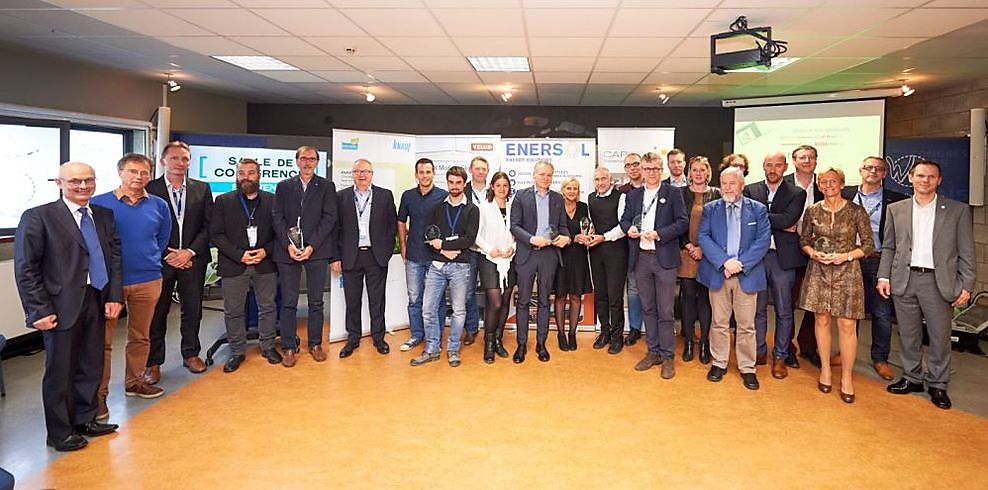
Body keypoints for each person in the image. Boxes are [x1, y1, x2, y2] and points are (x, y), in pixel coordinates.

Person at [14, 161, 123, 452]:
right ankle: (59, 432)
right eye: (75, 181)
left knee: (91, 364)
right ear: (59, 183)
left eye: (89, 180)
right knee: (60, 371)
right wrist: (38, 310)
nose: (83, 186)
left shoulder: (103, 215)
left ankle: (85, 419)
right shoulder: (39, 216)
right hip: (59, 305)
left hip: (96, 298)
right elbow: (26, 268)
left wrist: (114, 296)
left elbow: (113, 257)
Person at [879, 160, 975, 410]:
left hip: (938, 282)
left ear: (939, 181)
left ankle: (938, 384)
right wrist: (883, 276)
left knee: (939, 336)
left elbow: (967, 251)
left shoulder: (957, 210)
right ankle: (912, 378)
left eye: (931, 176)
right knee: (908, 334)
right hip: (904, 279)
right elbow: (889, 246)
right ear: (910, 178)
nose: (925, 180)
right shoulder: (896, 209)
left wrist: (967, 284)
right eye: (920, 175)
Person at [91, 153, 171, 410]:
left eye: (144, 172)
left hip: (148, 280)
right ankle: (99, 395)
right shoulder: (98, 203)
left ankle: (135, 382)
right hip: (109, 283)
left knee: (141, 336)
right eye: (133, 171)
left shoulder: (159, 205)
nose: (139, 177)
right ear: (120, 173)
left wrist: (149, 260)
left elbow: (162, 239)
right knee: (102, 341)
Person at [798, 168, 874, 404]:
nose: (828, 185)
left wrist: (846, 256)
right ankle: (825, 370)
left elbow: (869, 245)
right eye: (824, 182)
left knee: (847, 324)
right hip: (819, 271)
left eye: (833, 181)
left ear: (842, 184)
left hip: (847, 272)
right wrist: (813, 253)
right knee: (821, 320)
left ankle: (847, 378)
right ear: (819, 185)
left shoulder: (856, 211)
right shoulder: (812, 210)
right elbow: (804, 240)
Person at [697, 167, 771, 390]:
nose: (727, 188)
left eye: (732, 183)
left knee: (746, 325)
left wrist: (740, 264)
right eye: (724, 183)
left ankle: (747, 367)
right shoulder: (710, 209)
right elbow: (703, 236)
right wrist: (724, 262)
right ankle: (719, 362)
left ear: (742, 185)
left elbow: (763, 240)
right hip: (719, 272)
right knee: (719, 322)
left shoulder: (757, 210)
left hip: (747, 274)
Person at [145, 141, 213, 382]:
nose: (180, 163)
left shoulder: (202, 188)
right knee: (157, 312)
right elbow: (146, 228)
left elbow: (208, 225)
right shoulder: (149, 188)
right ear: (163, 161)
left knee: (192, 310)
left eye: (185, 158)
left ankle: (191, 354)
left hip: (193, 260)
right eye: (174, 158)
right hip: (160, 261)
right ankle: (153, 362)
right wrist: (169, 254)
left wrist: (189, 252)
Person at [620, 151, 688, 379]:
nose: (651, 173)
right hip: (641, 258)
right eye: (647, 169)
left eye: (656, 169)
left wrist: (659, 234)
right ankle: (653, 352)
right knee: (648, 307)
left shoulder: (673, 193)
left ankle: (668, 356)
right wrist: (629, 228)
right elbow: (625, 219)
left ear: (662, 170)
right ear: (642, 170)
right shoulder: (633, 196)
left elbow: (682, 222)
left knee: (666, 311)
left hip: (664, 259)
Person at [210, 158, 281, 373]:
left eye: (251, 173)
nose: (246, 177)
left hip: (264, 263)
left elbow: (280, 233)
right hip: (234, 264)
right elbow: (216, 234)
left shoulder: (272, 200)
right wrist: (239, 255)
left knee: (268, 308)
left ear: (259, 175)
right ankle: (237, 351)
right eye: (241, 173)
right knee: (233, 311)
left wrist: (265, 251)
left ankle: (268, 346)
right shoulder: (223, 201)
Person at [840, 156, 907, 381]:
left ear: (885, 174)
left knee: (881, 312)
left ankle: (880, 359)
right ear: (860, 171)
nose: (873, 171)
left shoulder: (896, 200)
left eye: (879, 169)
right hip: (849, 259)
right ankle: (844, 351)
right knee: (849, 310)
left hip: (879, 260)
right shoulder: (846, 193)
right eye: (869, 167)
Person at [272, 145, 338, 367]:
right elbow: (277, 217)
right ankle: (289, 347)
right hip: (288, 252)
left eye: (312, 159)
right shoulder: (283, 186)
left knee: (316, 301)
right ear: (297, 161)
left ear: (317, 162)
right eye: (304, 158)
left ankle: (315, 344)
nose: (308, 162)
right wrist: (289, 245)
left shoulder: (327, 186)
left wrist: (311, 246)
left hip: (316, 251)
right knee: (289, 301)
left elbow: (329, 218)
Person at [743, 152, 807, 378]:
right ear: (763, 166)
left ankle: (780, 356)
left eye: (778, 165)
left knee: (784, 310)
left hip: (783, 259)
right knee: (757, 309)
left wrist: (762, 218)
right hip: (757, 258)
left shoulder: (797, 193)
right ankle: (759, 351)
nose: (773, 169)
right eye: (769, 165)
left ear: (785, 167)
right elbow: (748, 221)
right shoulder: (750, 189)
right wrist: (777, 220)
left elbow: (789, 219)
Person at [410, 166, 479, 367]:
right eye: (451, 182)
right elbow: (429, 236)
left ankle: (453, 349)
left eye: (458, 182)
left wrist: (444, 245)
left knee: (458, 311)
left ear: (464, 184)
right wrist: (443, 250)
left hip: (460, 266)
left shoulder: (472, 209)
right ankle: (432, 349)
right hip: (437, 265)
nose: (454, 186)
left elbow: (469, 239)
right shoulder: (437, 208)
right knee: (427, 309)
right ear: (447, 182)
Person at [332, 159, 397, 358]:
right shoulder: (340, 197)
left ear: (372, 174)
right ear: (352, 174)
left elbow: (391, 226)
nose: (362, 175)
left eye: (366, 171)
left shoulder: (385, 195)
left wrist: (385, 252)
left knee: (377, 300)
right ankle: (353, 338)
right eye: (357, 171)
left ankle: (379, 337)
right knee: (352, 300)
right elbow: (334, 230)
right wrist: (335, 257)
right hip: (350, 256)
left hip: (376, 256)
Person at [510, 160, 571, 363]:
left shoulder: (557, 198)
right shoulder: (521, 196)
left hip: (549, 255)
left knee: (545, 300)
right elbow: (514, 226)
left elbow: (563, 227)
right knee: (523, 301)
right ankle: (521, 344)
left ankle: (541, 343)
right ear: (534, 175)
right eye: (542, 174)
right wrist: (531, 239)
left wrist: (567, 238)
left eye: (549, 175)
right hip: (527, 254)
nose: (546, 178)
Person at [397, 158, 449, 352]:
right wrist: (403, 246)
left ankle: (436, 336)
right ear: (416, 175)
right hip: (414, 255)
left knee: (438, 299)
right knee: (414, 298)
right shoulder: (408, 196)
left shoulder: (443, 196)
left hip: (436, 257)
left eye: (428, 172)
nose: (425, 176)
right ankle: (417, 335)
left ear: (433, 173)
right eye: (421, 172)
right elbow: (401, 221)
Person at [678, 156, 720, 364]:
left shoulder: (717, 194)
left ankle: (704, 343)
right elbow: (677, 223)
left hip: (708, 254)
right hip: (686, 253)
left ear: (708, 172)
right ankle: (688, 342)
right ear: (689, 173)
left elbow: (720, 226)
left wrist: (704, 249)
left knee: (704, 299)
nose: (698, 173)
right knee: (687, 297)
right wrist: (689, 246)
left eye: (702, 170)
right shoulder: (680, 194)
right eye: (694, 170)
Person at [786, 144, 825, 368]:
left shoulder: (824, 184)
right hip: (789, 248)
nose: (807, 161)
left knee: (816, 301)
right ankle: (788, 347)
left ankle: (808, 345)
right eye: (802, 157)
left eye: (811, 157)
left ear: (816, 161)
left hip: (818, 250)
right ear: (794, 161)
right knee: (788, 301)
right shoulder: (784, 184)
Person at [474, 171, 516, 363]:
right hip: (489, 259)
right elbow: (476, 235)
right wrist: (491, 250)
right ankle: (489, 343)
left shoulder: (513, 207)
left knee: (506, 301)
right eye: (498, 185)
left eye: (505, 185)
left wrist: (513, 248)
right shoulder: (484, 207)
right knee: (495, 303)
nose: (502, 188)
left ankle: (498, 340)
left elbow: (517, 232)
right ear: (492, 187)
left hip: (509, 259)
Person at [585, 166, 628, 354]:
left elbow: (623, 226)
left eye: (603, 179)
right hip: (596, 252)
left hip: (616, 252)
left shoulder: (621, 197)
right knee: (600, 294)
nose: (600, 182)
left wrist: (603, 237)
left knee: (615, 296)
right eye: (597, 179)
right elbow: (592, 223)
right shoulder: (591, 198)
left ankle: (617, 337)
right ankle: (604, 332)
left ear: (610, 180)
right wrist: (590, 232)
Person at [554, 177, 593, 351]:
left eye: (575, 188)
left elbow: (587, 227)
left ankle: (572, 334)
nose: (572, 191)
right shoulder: (556, 207)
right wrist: (572, 238)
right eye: (568, 188)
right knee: (560, 296)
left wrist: (589, 234)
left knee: (576, 296)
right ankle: (561, 334)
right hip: (560, 257)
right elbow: (552, 232)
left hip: (578, 256)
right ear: (563, 190)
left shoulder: (583, 207)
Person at [461, 156, 489, 345]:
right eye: (477, 168)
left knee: (491, 291)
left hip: (489, 250)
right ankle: (471, 328)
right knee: (468, 291)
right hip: (468, 250)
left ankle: (491, 329)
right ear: (470, 170)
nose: (480, 172)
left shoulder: (494, 190)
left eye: (483, 169)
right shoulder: (462, 191)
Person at [617, 153, 644, 346]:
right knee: (633, 290)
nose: (633, 168)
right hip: (630, 249)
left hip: (655, 248)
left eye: (636, 164)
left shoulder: (656, 188)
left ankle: (654, 328)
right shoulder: (621, 191)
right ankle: (635, 328)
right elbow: (622, 221)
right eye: (628, 165)